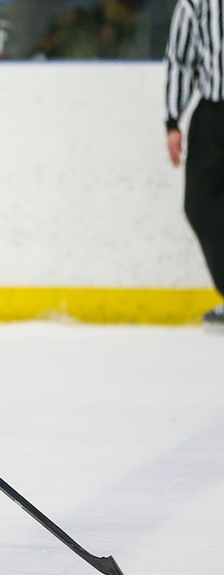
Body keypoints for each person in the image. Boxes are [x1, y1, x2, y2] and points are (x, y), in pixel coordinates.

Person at [164, 0, 224, 330]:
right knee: (200, 206)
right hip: (214, 113)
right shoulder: (197, 3)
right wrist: (172, 120)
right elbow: (181, 60)